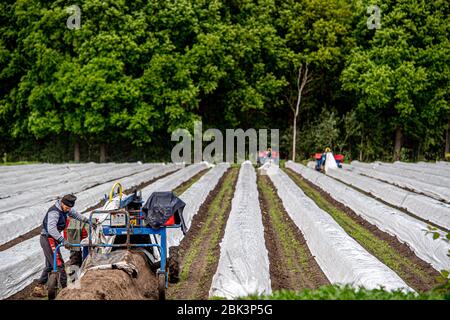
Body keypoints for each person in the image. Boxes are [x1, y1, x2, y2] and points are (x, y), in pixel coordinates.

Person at [32, 194, 96, 297]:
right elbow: (51, 229)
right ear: (62, 203)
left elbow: (76, 215)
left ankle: (39, 287)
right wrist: (63, 240)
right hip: (48, 238)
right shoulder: (54, 212)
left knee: (49, 265)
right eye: (67, 207)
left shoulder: (66, 209)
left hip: (54, 239)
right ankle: (67, 291)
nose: (68, 209)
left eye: (70, 207)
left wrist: (88, 221)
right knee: (59, 265)